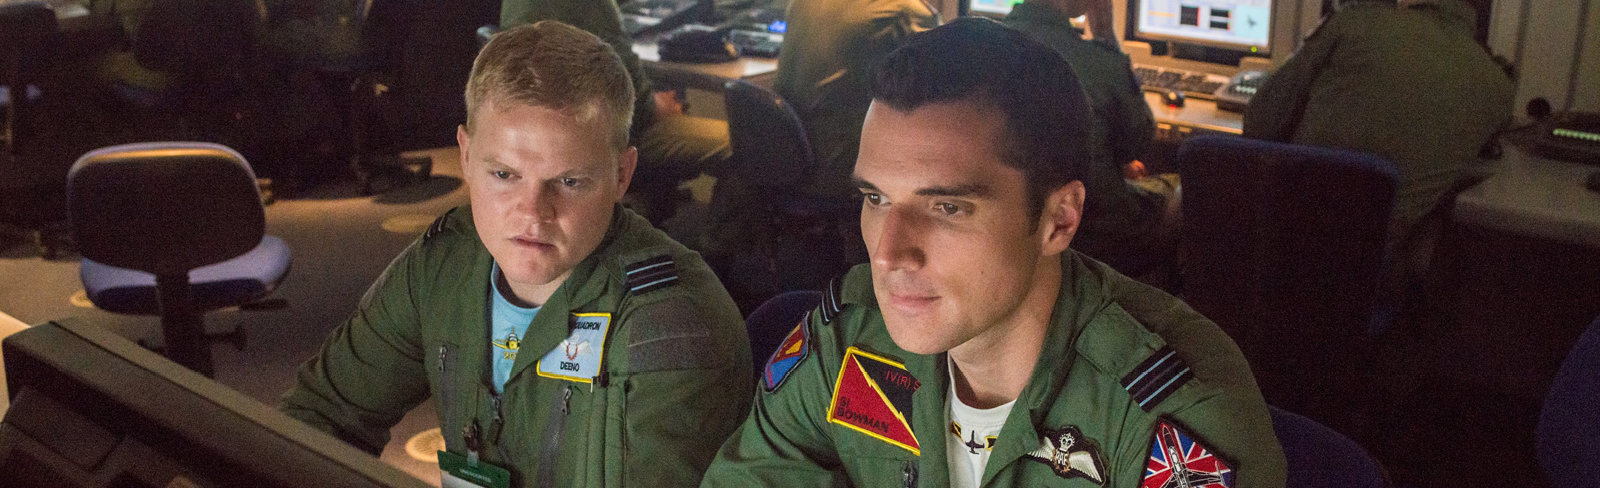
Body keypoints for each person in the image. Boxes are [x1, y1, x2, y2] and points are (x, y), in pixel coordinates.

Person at [701, 18, 1284, 487]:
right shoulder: (846, 341)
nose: (887, 254)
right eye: (876, 197)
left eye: (946, 208)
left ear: (1058, 220)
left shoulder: (1172, 417)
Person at [280, 21, 752, 487]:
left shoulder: (671, 325)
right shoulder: (446, 262)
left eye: (568, 181)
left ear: (622, 175)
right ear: (465, 156)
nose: (532, 214)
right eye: (504, 175)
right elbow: (320, 418)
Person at [1242, 0, 1514, 298]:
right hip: (1357, 288)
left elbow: (1259, 123)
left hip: (1263, 257)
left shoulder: (1355, 24)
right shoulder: (1497, 84)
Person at [501, 0, 733, 223]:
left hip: (542, 128)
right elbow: (632, 102)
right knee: (737, 140)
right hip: (594, 133)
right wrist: (656, 106)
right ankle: (723, 247)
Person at [1003, 0, 1176, 277]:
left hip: (1014, 225)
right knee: (1184, 190)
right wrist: (1106, 35)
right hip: (1099, 228)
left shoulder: (981, 50)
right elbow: (1139, 141)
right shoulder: (1097, 61)